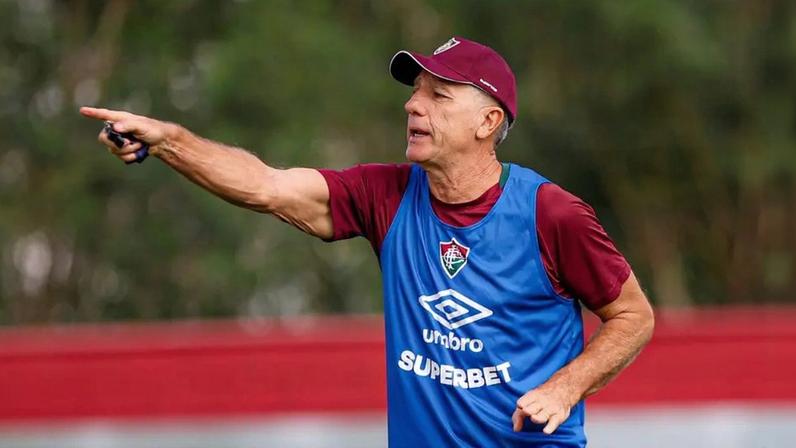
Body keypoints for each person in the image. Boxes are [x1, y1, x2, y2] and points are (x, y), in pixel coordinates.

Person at [80, 36, 654, 447]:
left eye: (438, 96)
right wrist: (170, 141)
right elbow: (267, 187)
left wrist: (564, 387)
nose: (412, 105)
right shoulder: (386, 194)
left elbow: (633, 316)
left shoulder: (550, 213)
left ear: (488, 123)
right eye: (414, 93)